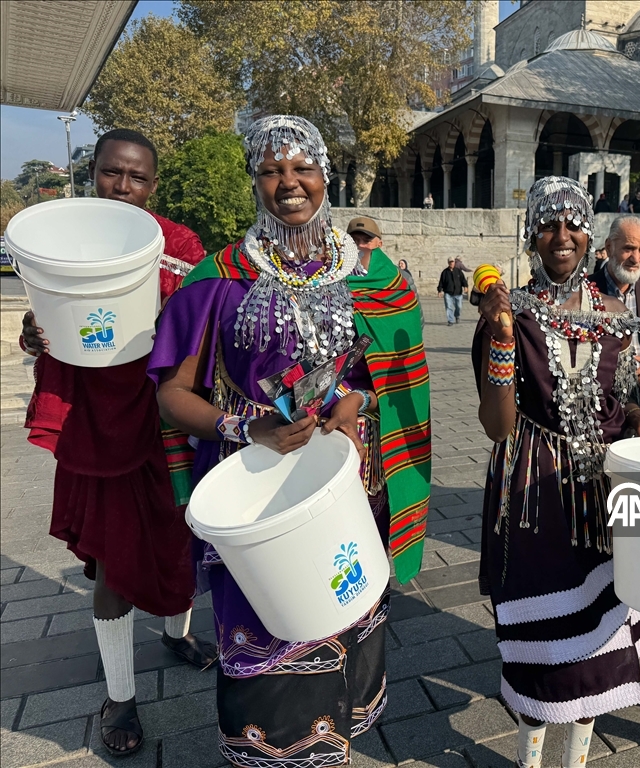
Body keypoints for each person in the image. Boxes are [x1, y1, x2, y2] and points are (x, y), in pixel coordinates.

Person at [150, 115, 431, 767]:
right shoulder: (219, 278)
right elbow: (172, 395)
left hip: (347, 490)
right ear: (255, 181)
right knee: (271, 652)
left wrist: (357, 400)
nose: (289, 182)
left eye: (303, 167)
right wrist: (246, 427)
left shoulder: (372, 274)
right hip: (260, 496)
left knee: (345, 619)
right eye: (271, 170)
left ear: (326, 176)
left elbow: (392, 375)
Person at [19, 128, 214, 756]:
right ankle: (121, 696)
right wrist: (34, 333)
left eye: (137, 177)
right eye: (111, 172)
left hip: (166, 422)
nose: (123, 186)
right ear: (93, 172)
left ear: (153, 184)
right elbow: (46, 318)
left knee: (182, 537)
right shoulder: (59, 244)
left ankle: (177, 635)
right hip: (97, 426)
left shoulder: (179, 246)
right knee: (113, 557)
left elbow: (202, 329)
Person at [473, 176, 640, 768]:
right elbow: (498, 425)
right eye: (548, 224)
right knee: (542, 641)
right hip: (533, 491)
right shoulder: (509, 312)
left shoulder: (617, 315)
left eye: (574, 224)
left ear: (590, 236)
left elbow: (621, 402)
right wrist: (502, 339)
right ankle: (530, 760)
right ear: (531, 234)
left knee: (601, 642)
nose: (562, 235)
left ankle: (575, 762)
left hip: (604, 494)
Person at [592, 215, 640, 408]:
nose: (636, 259)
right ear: (609, 247)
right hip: (603, 405)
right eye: (628, 248)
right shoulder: (585, 292)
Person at [437, 257, 469, 325]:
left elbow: (463, 280)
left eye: (452, 262)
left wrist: (465, 286)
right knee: (448, 307)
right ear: (448, 263)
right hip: (448, 293)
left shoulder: (458, 271)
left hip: (458, 293)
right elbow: (441, 282)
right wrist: (439, 290)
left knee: (459, 307)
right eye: (450, 262)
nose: (451, 263)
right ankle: (450, 320)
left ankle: (457, 316)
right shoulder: (445, 272)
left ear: (454, 262)